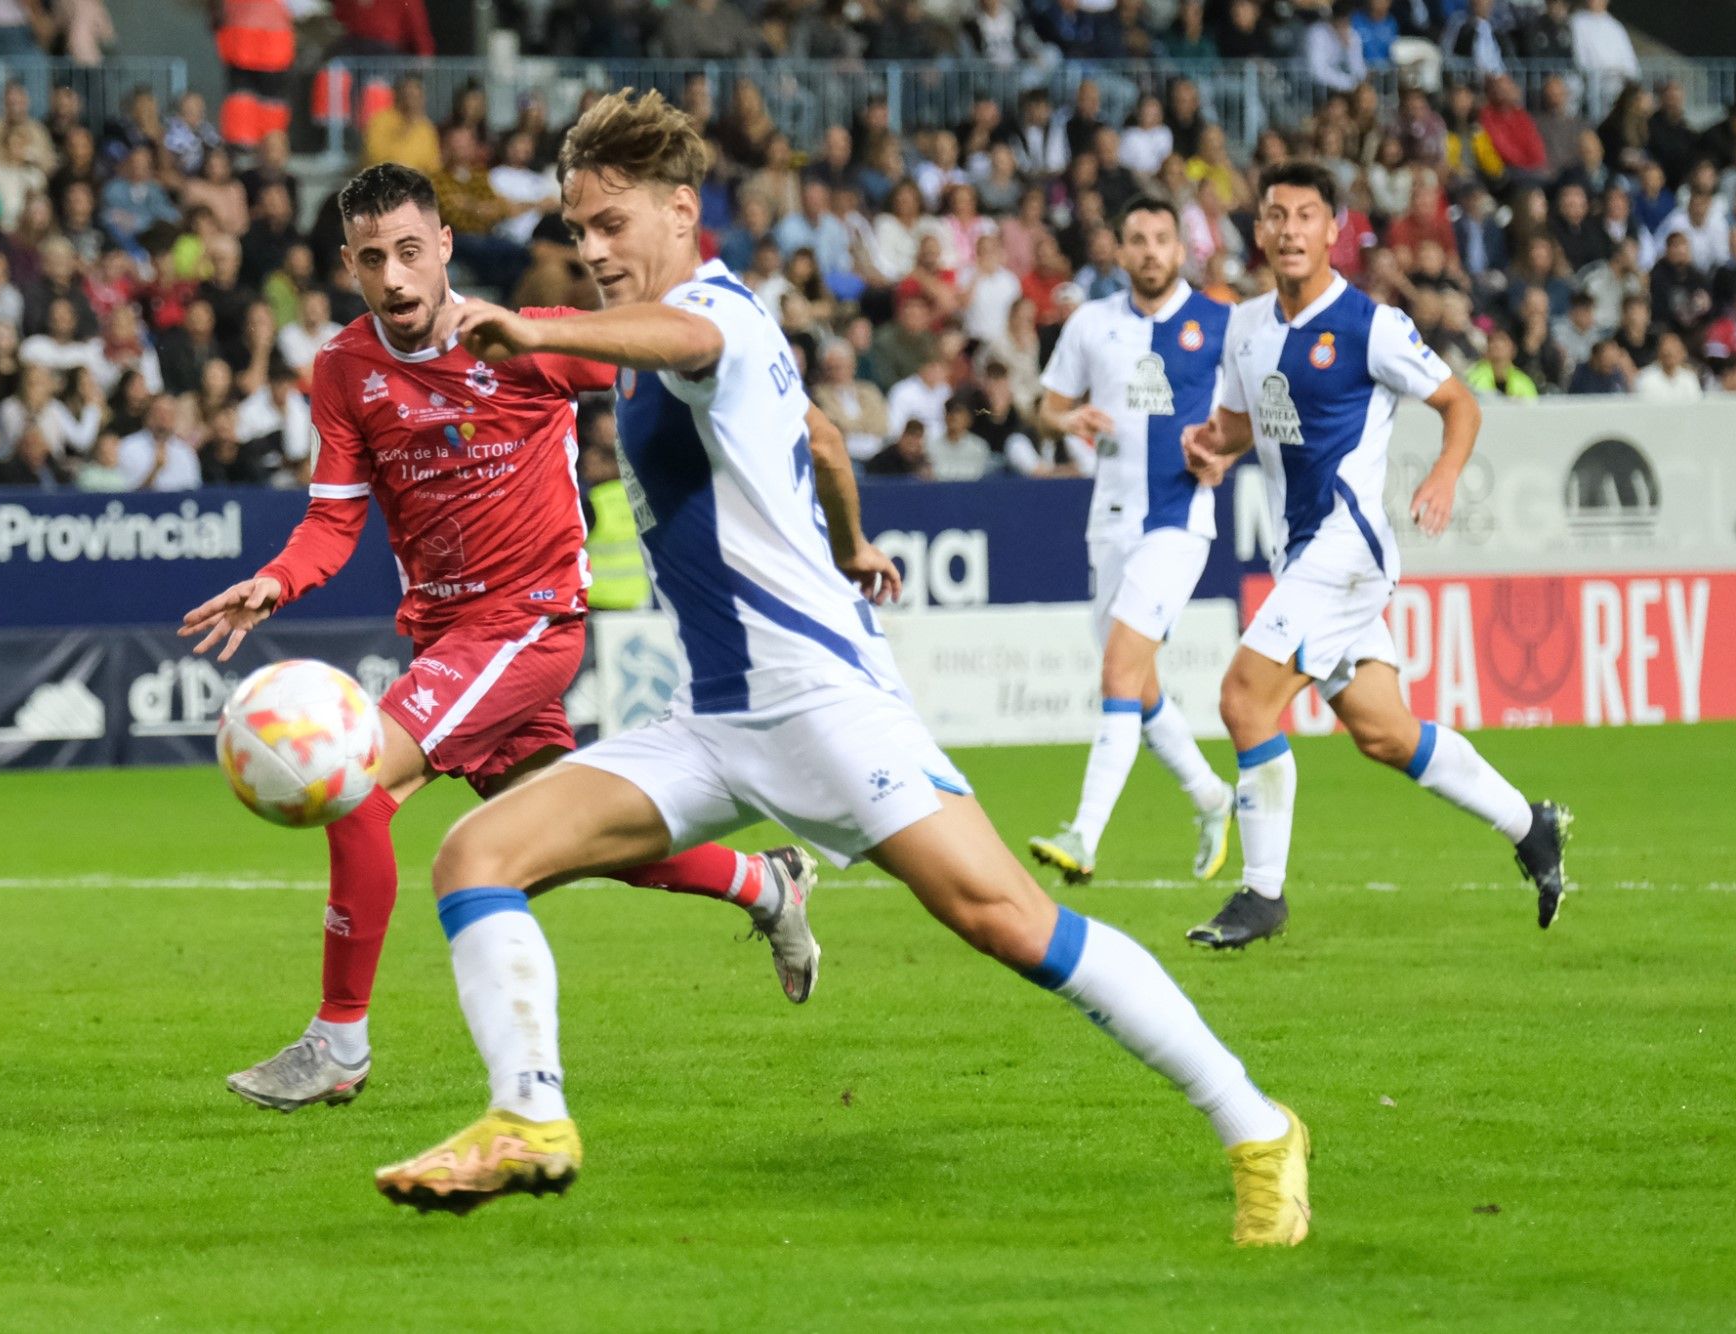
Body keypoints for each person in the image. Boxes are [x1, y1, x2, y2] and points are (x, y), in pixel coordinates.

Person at [377, 89, 1312, 1249]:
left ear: (680, 210)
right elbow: (818, 435)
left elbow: (695, 343)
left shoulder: (711, 314)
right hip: (712, 718)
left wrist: (542, 326)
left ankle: (1257, 1124)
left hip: (820, 703)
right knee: (478, 852)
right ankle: (529, 1117)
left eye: (613, 222)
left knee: (1007, 919)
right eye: (579, 228)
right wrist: (853, 537)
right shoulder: (660, 335)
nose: (595, 248)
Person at [178, 163, 822, 1115]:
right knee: (572, 839)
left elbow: (680, 357)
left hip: (527, 625)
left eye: (408, 252)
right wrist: (278, 579)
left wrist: (784, 440)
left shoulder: (526, 340)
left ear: (443, 247)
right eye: (370, 260)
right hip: (445, 636)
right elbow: (331, 521)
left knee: (354, 787)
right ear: (348, 267)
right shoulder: (346, 370)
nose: (393, 278)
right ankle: (765, 883)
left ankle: (338, 1043)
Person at [1181, 161, 1570, 951]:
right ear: (1258, 231)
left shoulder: (1371, 325)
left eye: (1307, 216)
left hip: (1346, 548)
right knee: (1386, 733)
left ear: (1334, 232)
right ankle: (1532, 826)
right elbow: (1238, 422)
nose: (1290, 230)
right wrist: (1207, 446)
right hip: (1305, 553)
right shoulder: (1246, 326)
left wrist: (1444, 473)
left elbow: (1458, 402)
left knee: (1244, 698)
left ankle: (1262, 894)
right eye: (1276, 216)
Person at [1027, 197, 1237, 888]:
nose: (1150, 251)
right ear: (1119, 252)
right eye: (1137, 239)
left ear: (1181, 250)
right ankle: (1210, 794)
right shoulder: (1091, 324)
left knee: (1117, 675)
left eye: (1162, 239)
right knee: (1138, 685)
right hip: (1110, 521)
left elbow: (1252, 418)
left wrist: (1225, 457)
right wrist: (1068, 420)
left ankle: (1084, 835)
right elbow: (1045, 408)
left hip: (1179, 520)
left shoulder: (1220, 322)